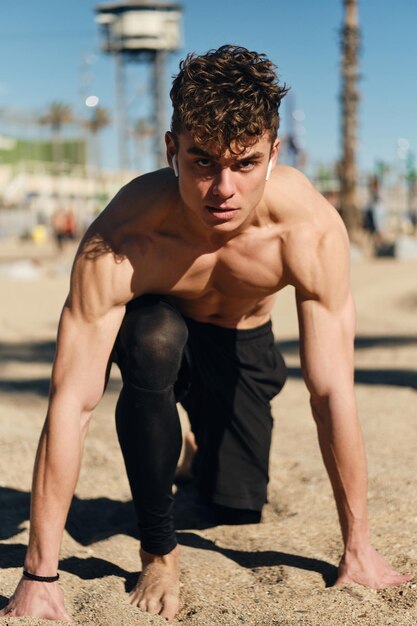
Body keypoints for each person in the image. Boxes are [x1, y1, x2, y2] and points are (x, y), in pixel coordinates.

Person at [0, 45, 411, 623]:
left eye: (245, 164)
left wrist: (358, 549)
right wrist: (39, 575)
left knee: (234, 507)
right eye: (201, 161)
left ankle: (190, 453)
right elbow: (72, 400)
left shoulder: (308, 229)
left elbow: (331, 392)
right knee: (153, 339)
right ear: (172, 149)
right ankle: (157, 549)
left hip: (243, 344)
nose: (223, 188)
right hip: (162, 331)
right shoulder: (124, 235)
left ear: (272, 155)